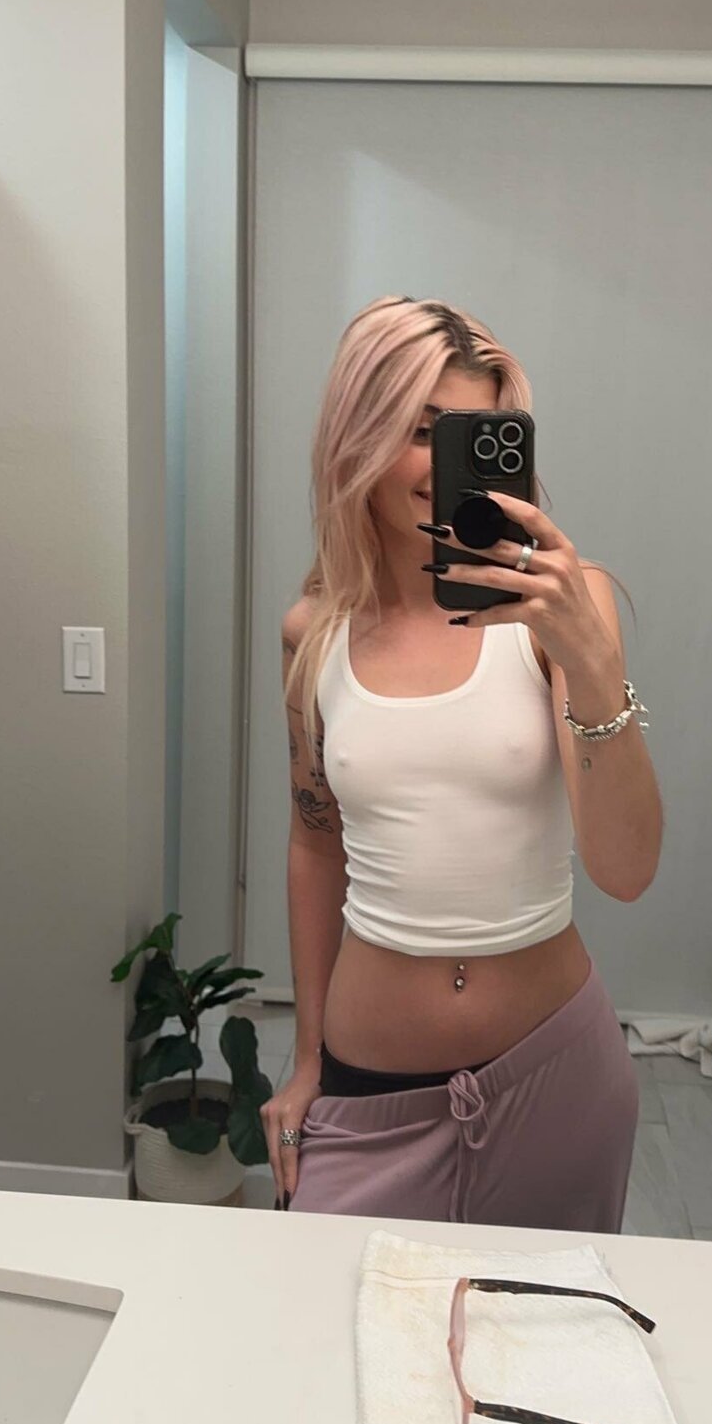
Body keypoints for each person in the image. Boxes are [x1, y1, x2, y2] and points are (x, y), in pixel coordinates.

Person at [261, 295, 663, 1230]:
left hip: (556, 1076)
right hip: (369, 1087)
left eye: (471, 438)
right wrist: (306, 1062)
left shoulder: (564, 609)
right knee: (340, 1318)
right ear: (355, 437)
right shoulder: (312, 633)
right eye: (419, 432)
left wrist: (590, 662)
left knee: (542, 1325)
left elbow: (626, 870)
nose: (443, 468)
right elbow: (315, 844)